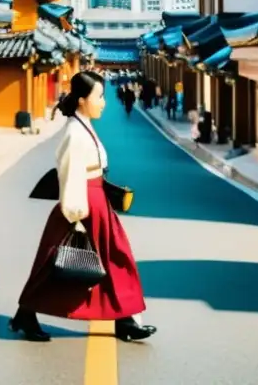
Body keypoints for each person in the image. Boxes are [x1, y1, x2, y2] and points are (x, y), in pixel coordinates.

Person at [10, 71, 155, 343]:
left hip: (95, 202)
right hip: (82, 205)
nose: (103, 102)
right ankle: (26, 313)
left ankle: (125, 318)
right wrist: (76, 215)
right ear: (81, 100)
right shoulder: (75, 133)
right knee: (57, 266)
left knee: (115, 260)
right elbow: (70, 174)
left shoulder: (83, 126)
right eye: (99, 97)